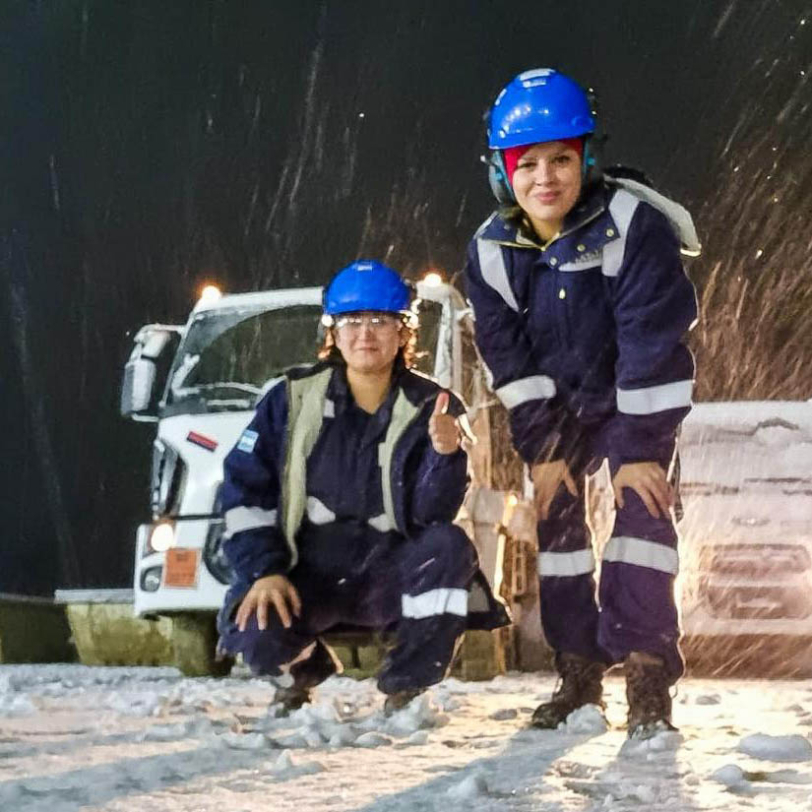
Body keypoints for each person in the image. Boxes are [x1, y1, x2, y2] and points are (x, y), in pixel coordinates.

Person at [465, 68, 699, 739]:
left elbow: (651, 344)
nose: (546, 179)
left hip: (633, 399)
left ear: (587, 158)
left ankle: (650, 678)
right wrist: (541, 449)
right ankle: (578, 674)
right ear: (502, 171)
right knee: (558, 527)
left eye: (562, 159)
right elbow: (509, 361)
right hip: (558, 411)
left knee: (644, 516)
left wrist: (640, 451)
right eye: (527, 163)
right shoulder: (488, 253)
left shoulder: (635, 225)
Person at [217, 259, 509, 714]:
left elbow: (432, 515)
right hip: (307, 571)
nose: (365, 334)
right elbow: (243, 488)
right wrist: (263, 570)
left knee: (448, 546)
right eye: (352, 321)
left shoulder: (432, 404)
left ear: (403, 332)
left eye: (380, 321)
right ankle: (301, 670)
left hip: (388, 570)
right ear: (332, 332)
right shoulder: (290, 400)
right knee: (254, 621)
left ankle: (406, 687)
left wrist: (446, 454)